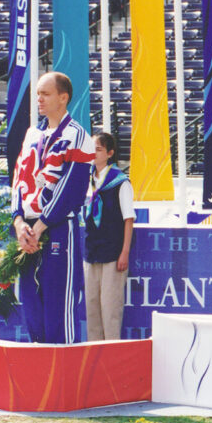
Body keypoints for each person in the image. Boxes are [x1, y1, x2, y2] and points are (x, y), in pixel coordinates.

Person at [11, 72, 95, 344]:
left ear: (63, 97)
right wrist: (19, 223)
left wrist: (39, 226)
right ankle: (41, 377)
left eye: (45, 94)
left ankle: (66, 379)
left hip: (58, 229)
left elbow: (72, 189)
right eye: (37, 93)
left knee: (58, 305)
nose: (39, 99)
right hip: (29, 231)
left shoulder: (78, 136)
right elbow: (19, 179)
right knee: (31, 305)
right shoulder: (31, 134)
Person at [83, 133, 134, 341]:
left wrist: (124, 253)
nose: (93, 153)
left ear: (110, 153)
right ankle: (93, 357)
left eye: (98, 149)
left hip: (113, 254)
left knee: (110, 310)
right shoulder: (86, 180)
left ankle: (111, 357)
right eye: (91, 149)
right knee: (92, 309)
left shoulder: (120, 182)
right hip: (91, 252)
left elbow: (128, 219)